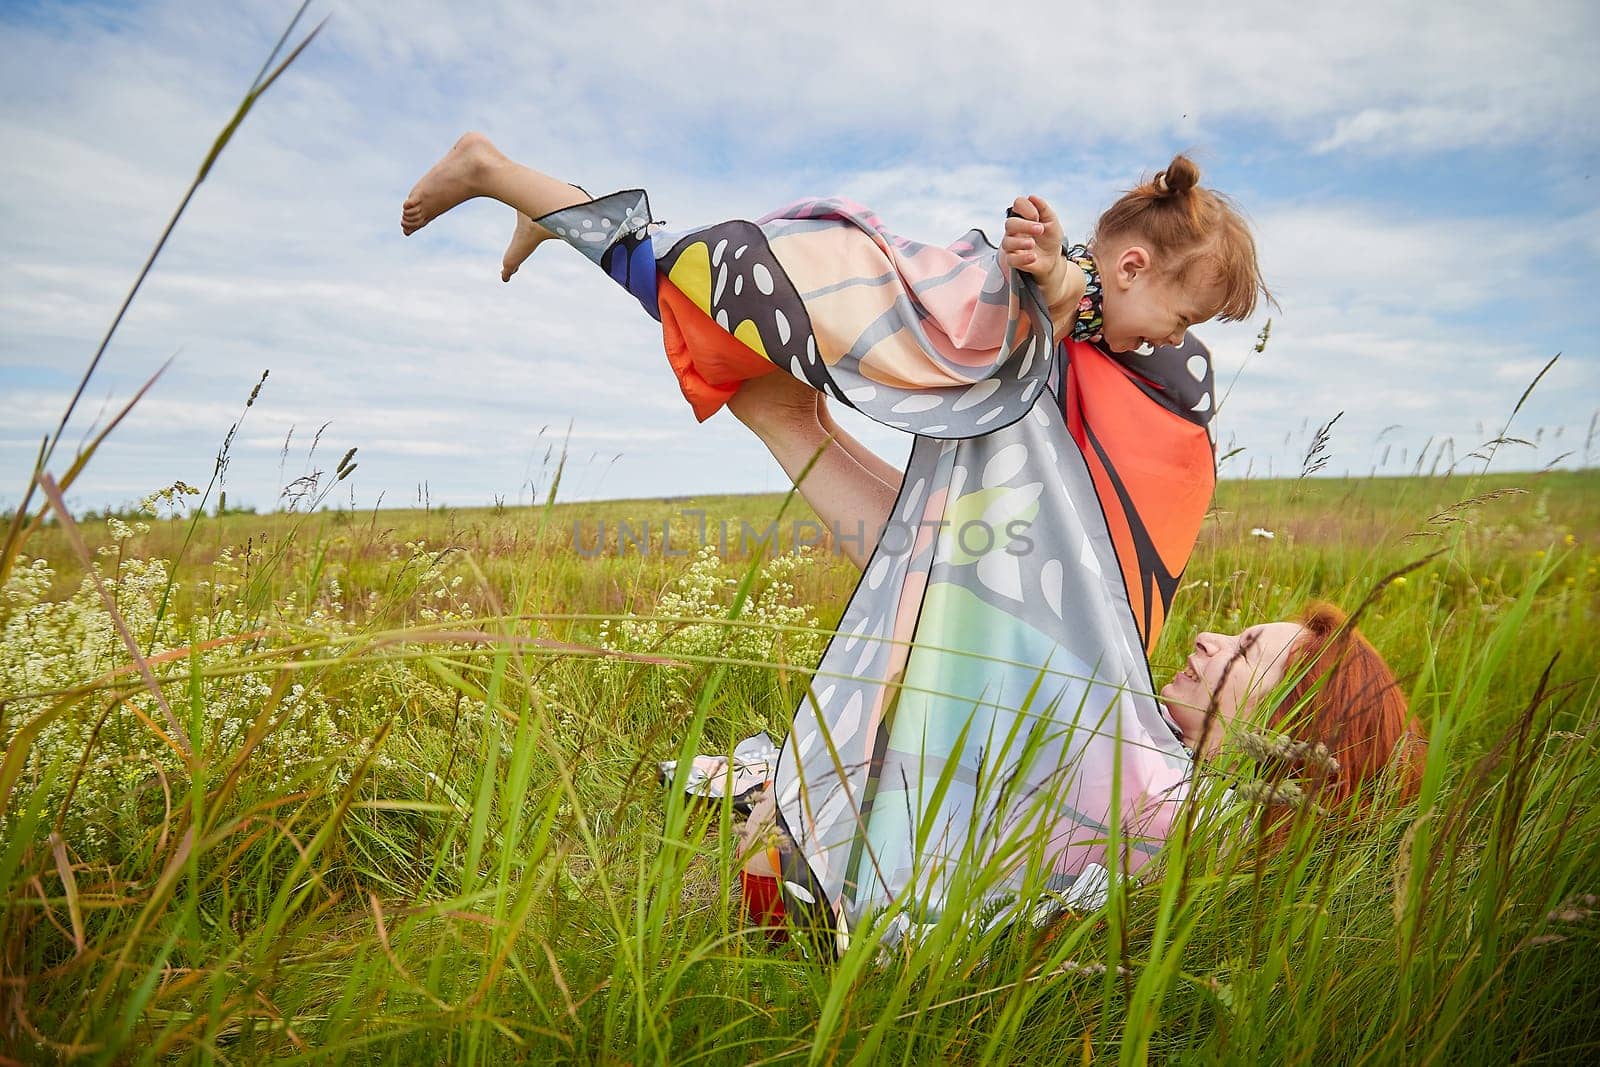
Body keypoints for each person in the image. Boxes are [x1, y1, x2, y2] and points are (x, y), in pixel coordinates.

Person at [401, 135, 1270, 952]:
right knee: (693, 282)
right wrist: (1045, 271)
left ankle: (559, 211)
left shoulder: (1099, 322)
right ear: (1130, 266)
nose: (1175, 338)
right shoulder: (1059, 291)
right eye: (1180, 314)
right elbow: (1055, 294)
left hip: (892, 339)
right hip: (848, 295)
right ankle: (499, 173)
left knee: (684, 285)